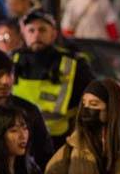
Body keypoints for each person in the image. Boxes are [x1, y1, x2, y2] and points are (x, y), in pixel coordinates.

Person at [11, 11, 94, 145]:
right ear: (24, 34)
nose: (36, 35)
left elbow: (90, 102)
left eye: (42, 29)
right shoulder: (12, 61)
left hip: (59, 140)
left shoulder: (74, 63)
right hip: (19, 140)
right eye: (31, 30)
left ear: (53, 34)